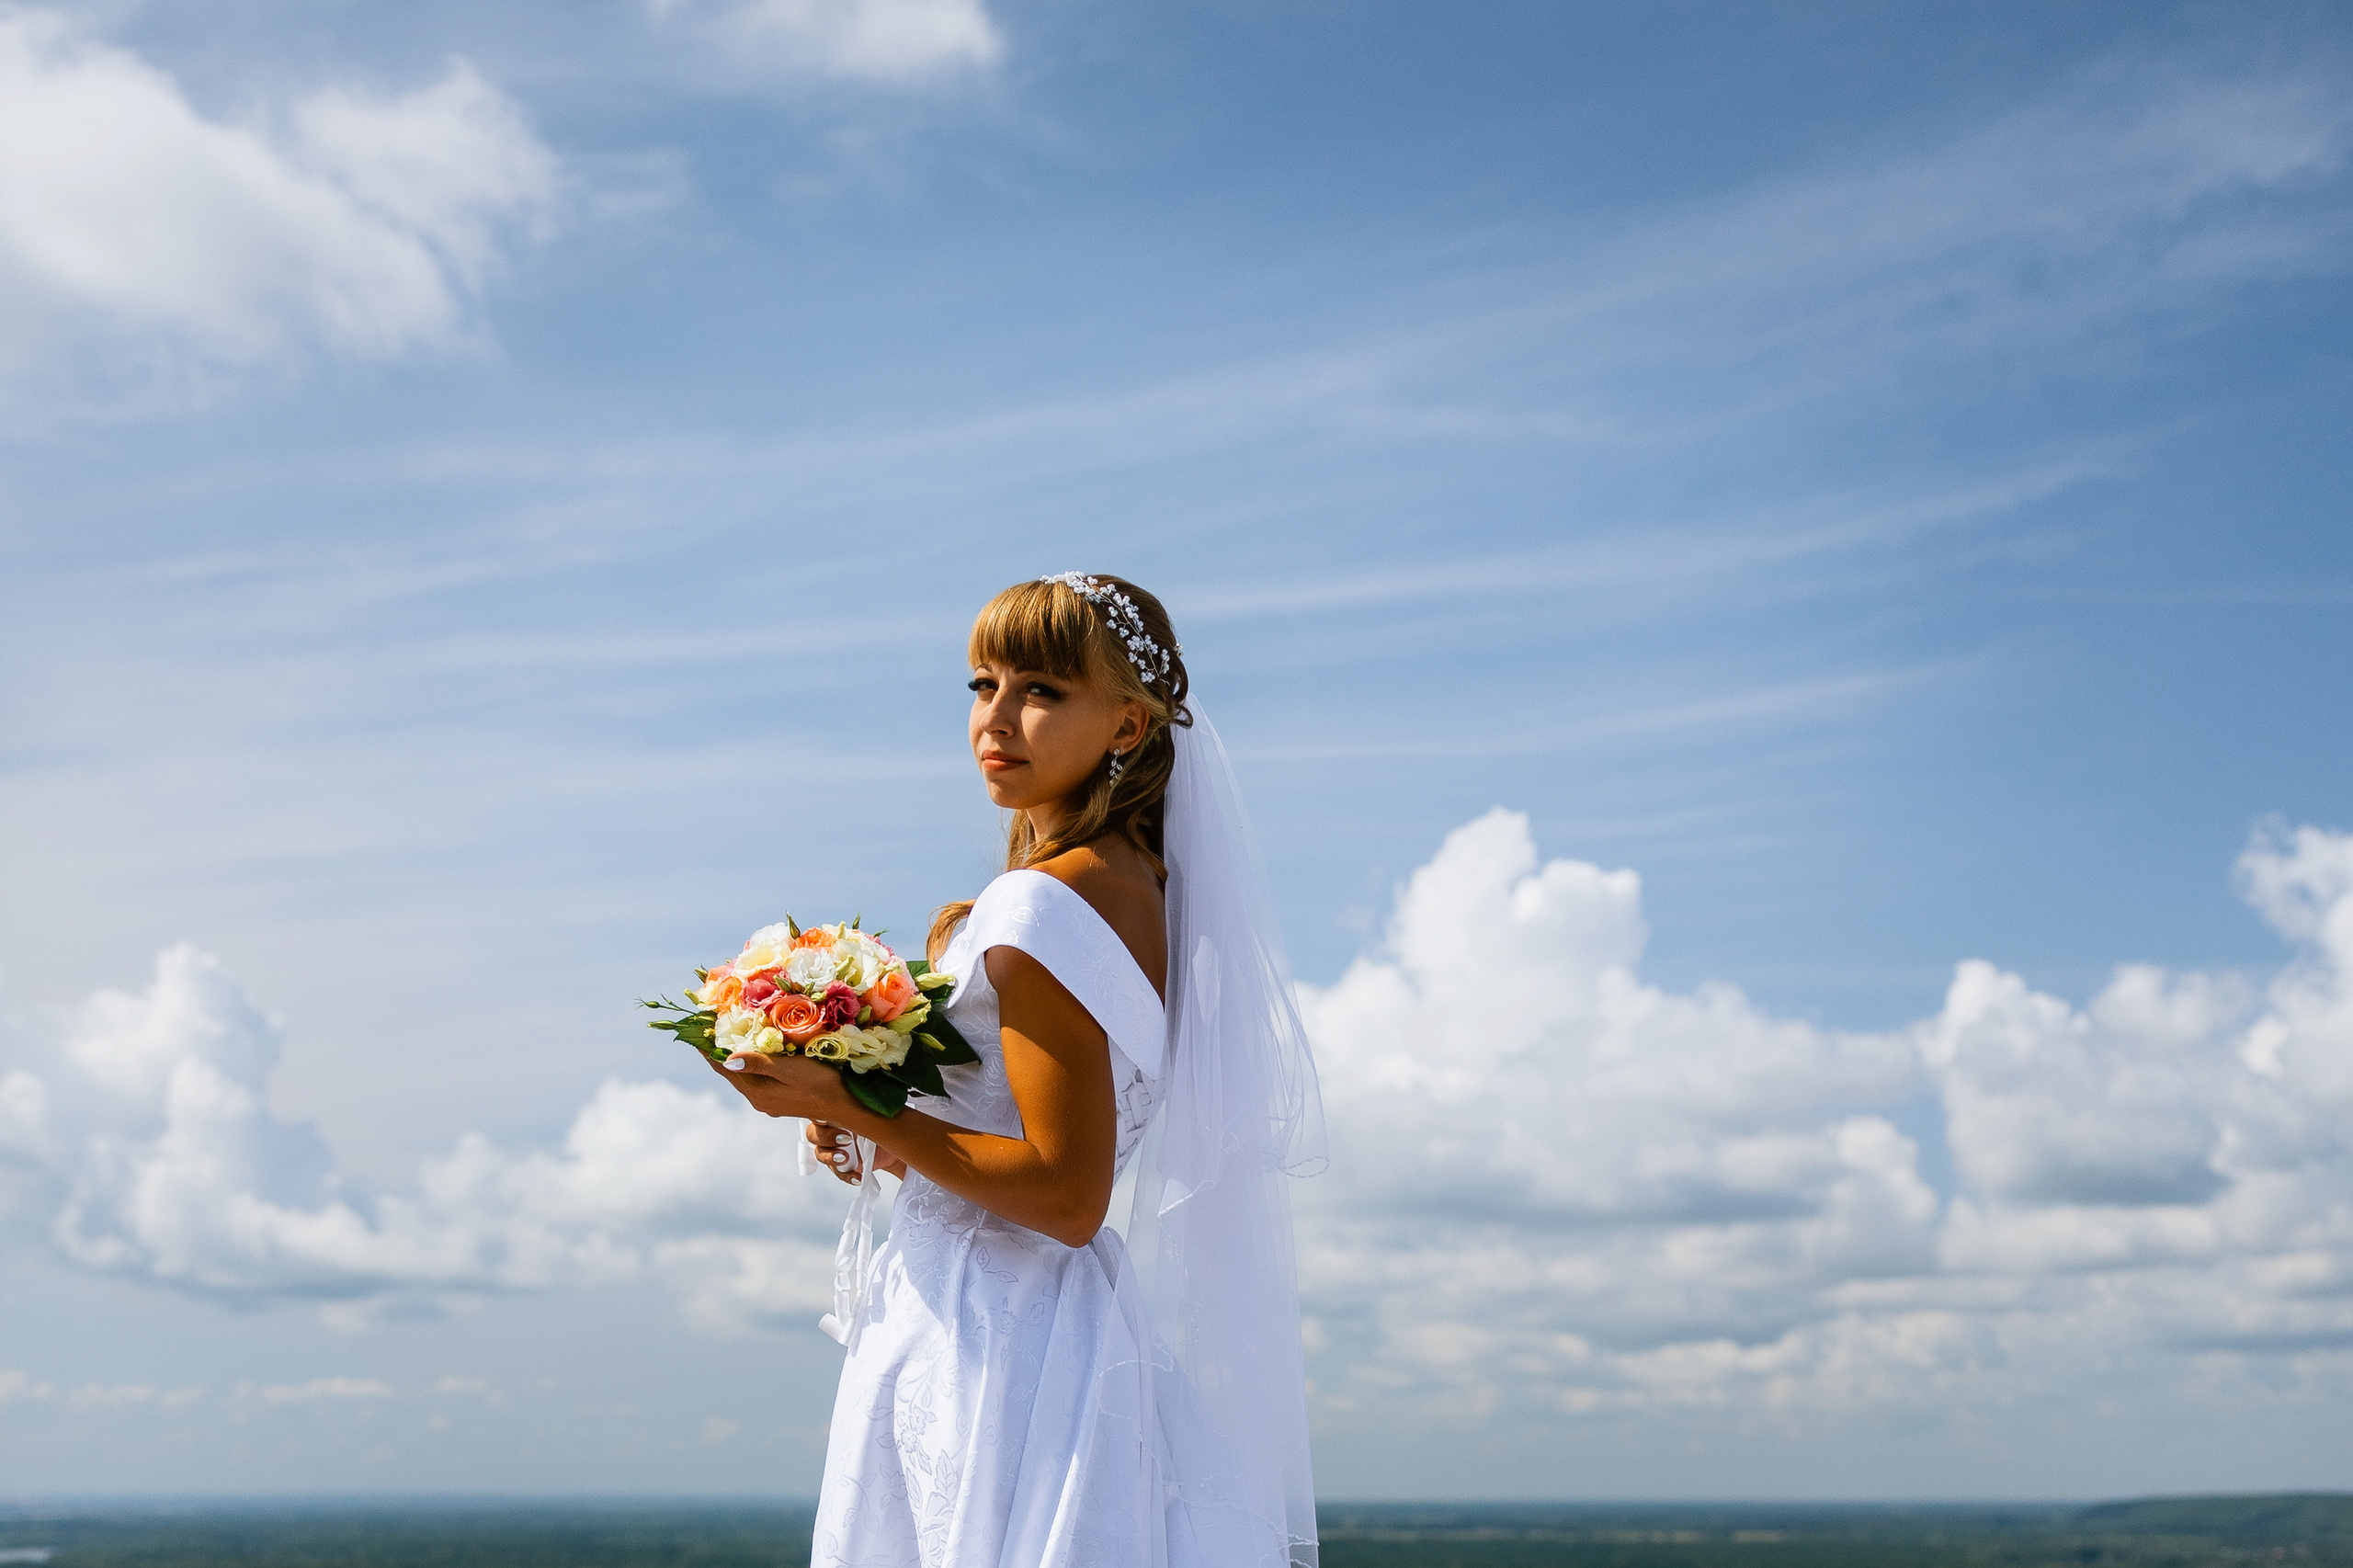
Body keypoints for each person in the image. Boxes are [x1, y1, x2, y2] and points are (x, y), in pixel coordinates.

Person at [712, 573, 1326, 1568]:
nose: (997, 718)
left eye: (1040, 689)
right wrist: (877, 1121)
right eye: (981, 685)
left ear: (1128, 724)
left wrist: (858, 1108)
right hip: (1061, 1328)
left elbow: (1067, 1192)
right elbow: (1041, 1143)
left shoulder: (1040, 905)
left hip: (981, 1337)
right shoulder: (1150, 892)